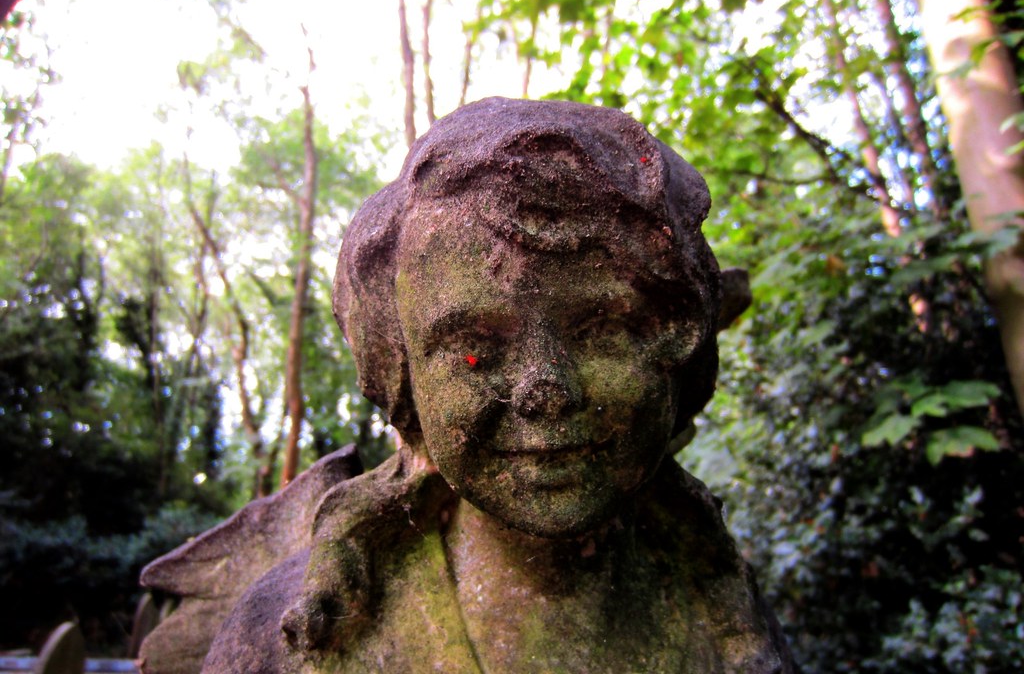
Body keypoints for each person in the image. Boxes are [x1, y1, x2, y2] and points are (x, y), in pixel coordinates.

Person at [141, 98, 793, 674]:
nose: (547, 391)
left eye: (603, 330)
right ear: (403, 374)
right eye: (476, 351)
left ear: (678, 343)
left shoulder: (730, 627)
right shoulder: (296, 642)